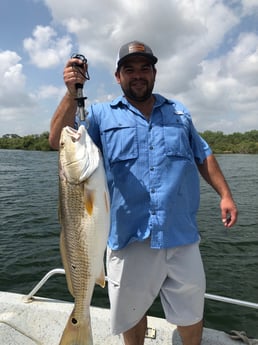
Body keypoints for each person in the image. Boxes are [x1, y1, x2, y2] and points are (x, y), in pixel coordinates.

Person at [49, 41, 238, 345]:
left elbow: (203, 154)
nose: (138, 75)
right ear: (117, 76)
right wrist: (72, 92)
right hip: (127, 238)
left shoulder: (180, 113)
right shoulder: (99, 116)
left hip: (181, 236)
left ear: (154, 72)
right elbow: (58, 138)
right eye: (129, 69)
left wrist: (225, 194)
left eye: (144, 68)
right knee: (131, 316)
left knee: (191, 314)